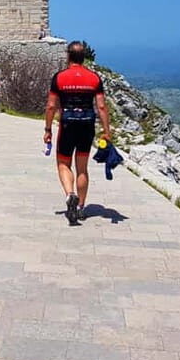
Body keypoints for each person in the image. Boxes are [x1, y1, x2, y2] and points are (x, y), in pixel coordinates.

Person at [43, 41, 112, 225]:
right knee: (82, 167)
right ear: (83, 57)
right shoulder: (94, 78)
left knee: (63, 164)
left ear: (68, 56)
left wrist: (48, 129)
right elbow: (102, 106)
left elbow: (51, 106)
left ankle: (70, 194)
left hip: (67, 124)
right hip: (87, 125)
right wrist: (107, 131)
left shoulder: (59, 77)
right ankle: (81, 207)